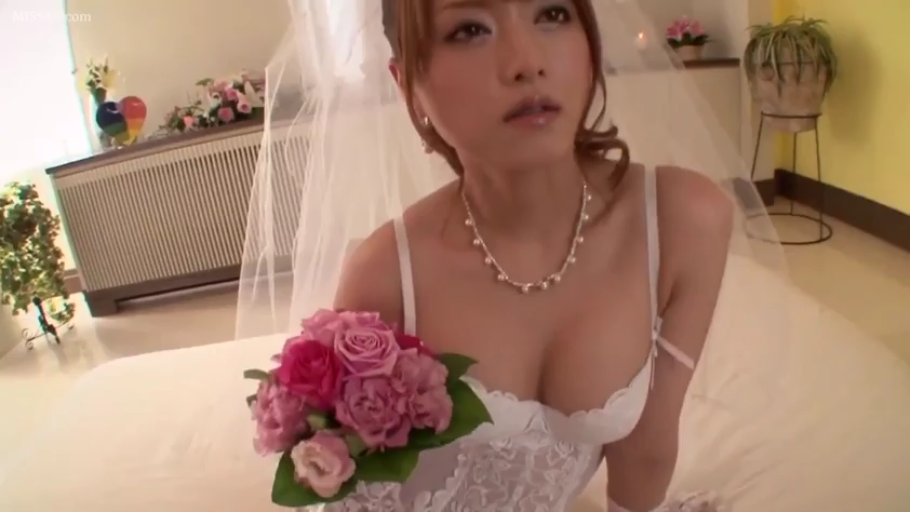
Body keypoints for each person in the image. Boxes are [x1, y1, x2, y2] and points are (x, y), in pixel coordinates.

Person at [236, 0, 793, 510]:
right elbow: (348, 479)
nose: (527, 62)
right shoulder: (384, 272)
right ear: (408, 84)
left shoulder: (682, 219)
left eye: (553, 14)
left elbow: (647, 444)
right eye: (469, 29)